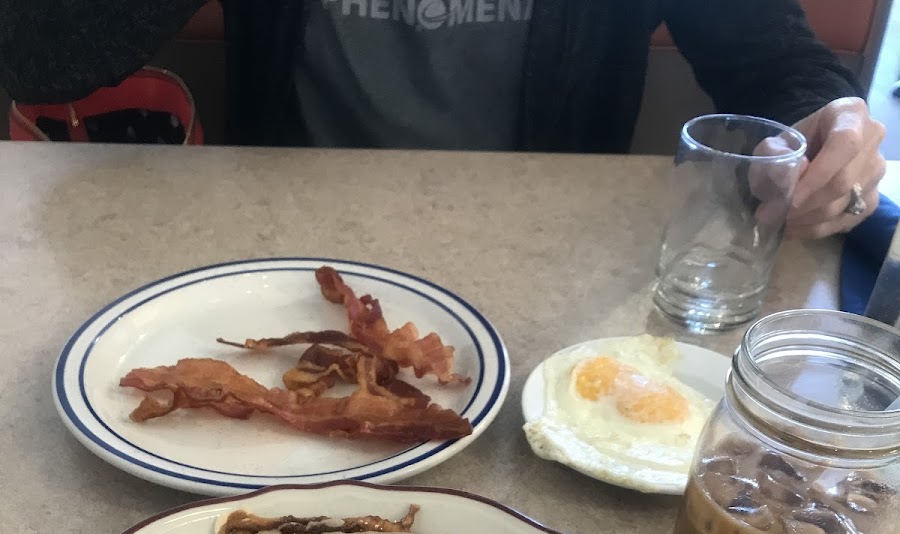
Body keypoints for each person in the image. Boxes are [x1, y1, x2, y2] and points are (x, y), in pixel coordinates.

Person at [0, 0, 885, 238]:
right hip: (283, 235)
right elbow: (43, 52)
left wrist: (837, 120)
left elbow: (775, 61)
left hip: (545, 253)